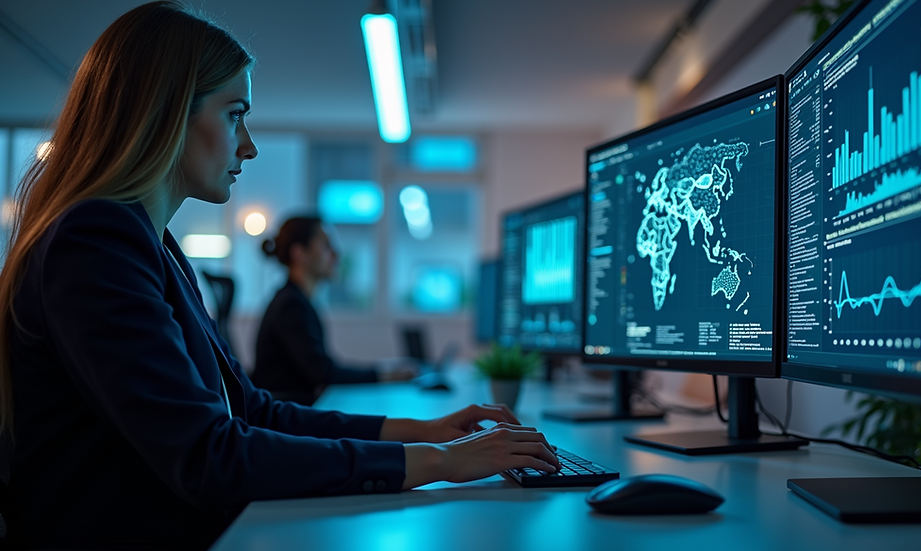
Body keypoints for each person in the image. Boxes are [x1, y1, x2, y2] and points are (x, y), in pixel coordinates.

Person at [0, 3, 559, 549]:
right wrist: (441, 463)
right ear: (168, 112)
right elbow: (208, 457)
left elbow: (252, 410)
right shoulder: (96, 240)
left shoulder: (155, 246)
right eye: (234, 114)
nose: (249, 146)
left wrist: (425, 433)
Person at [251, 216, 415, 406]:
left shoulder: (297, 300)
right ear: (299, 253)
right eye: (326, 245)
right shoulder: (290, 306)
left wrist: (385, 373)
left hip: (297, 408)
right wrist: (387, 374)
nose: (336, 254)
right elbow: (324, 373)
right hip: (289, 413)